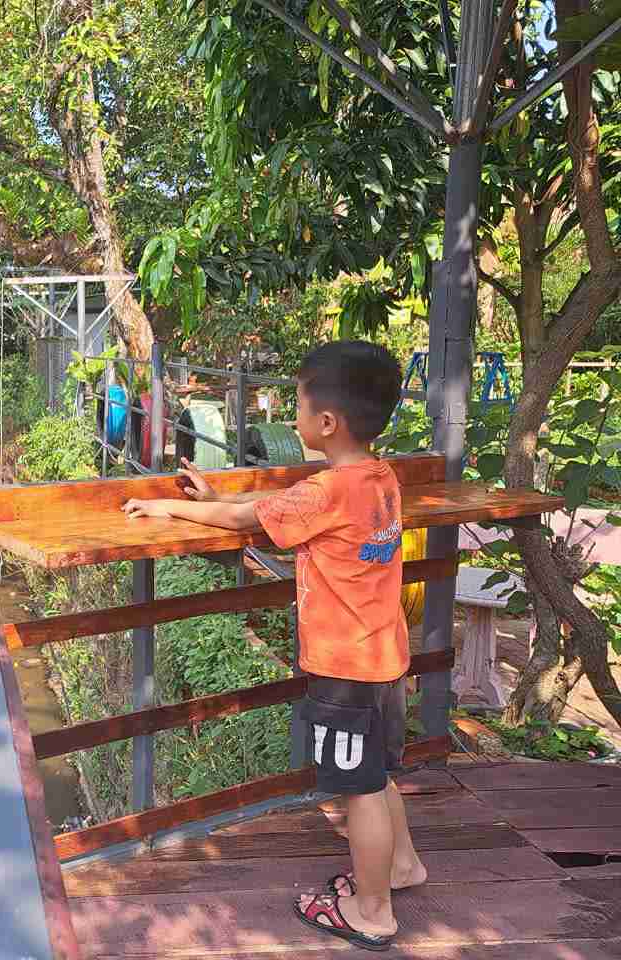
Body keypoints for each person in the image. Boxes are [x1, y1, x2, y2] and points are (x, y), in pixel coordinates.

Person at [122, 340, 424, 952]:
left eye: (299, 407)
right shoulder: (377, 478)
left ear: (328, 423)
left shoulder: (328, 490)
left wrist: (166, 508)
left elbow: (249, 522)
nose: (293, 420)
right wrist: (216, 501)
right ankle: (402, 867)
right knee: (378, 773)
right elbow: (268, 511)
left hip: (344, 666)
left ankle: (372, 912)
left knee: (357, 788)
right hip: (385, 657)